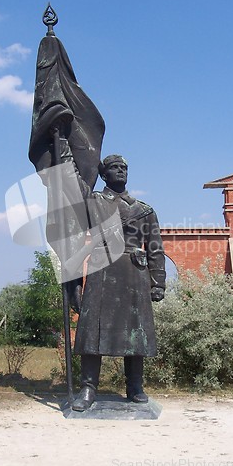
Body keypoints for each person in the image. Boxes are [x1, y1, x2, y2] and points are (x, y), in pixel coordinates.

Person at [56, 136, 166, 412]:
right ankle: (88, 388)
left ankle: (135, 386)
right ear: (103, 174)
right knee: (93, 333)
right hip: (101, 269)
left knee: (135, 334)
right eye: (114, 167)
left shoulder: (145, 210)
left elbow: (155, 248)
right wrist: (61, 145)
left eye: (124, 168)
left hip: (134, 274)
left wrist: (158, 282)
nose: (120, 171)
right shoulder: (92, 202)